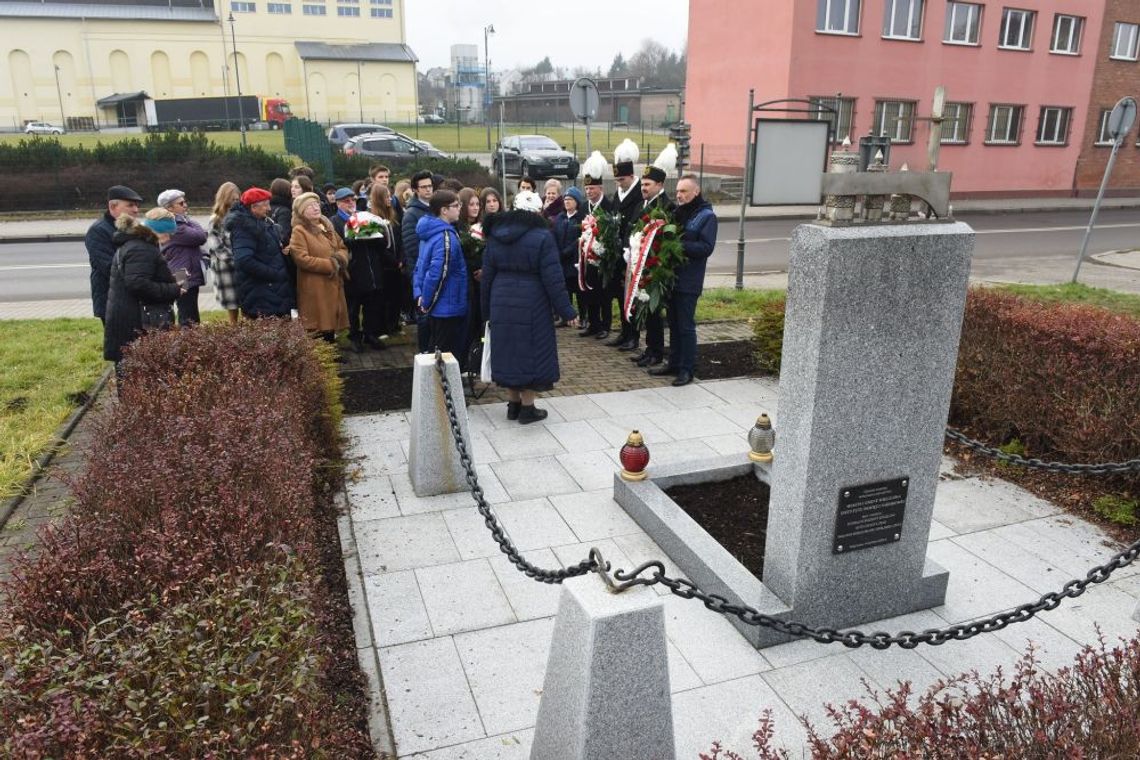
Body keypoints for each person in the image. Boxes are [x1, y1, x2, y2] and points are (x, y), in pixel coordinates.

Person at [481, 190, 578, 424]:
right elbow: (553, 278)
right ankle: (527, 408)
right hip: (532, 300)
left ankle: (512, 404)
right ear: (537, 212)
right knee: (532, 351)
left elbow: (487, 277)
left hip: (501, 298)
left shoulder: (495, 234)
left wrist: (486, 311)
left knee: (508, 350)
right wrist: (567, 311)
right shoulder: (542, 237)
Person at [648, 175, 717, 387]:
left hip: (689, 281)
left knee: (686, 327)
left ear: (696, 192)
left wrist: (678, 244)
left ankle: (687, 369)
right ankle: (674, 363)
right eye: (677, 191)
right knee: (674, 324)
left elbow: (706, 248)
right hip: (671, 278)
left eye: (684, 191)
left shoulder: (706, 216)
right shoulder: (677, 213)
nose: (679, 195)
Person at [103, 208, 182, 379]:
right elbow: (138, 284)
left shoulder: (138, 244)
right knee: (135, 374)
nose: (168, 239)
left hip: (129, 315)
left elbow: (140, 277)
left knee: (131, 371)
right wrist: (174, 289)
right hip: (136, 319)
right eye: (167, 233)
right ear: (156, 230)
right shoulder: (142, 249)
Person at [412, 190, 468, 364]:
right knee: (445, 356)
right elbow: (437, 274)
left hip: (438, 305)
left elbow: (420, 267)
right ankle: (443, 390)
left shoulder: (430, 232)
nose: (459, 209)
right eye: (456, 205)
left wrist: (419, 295)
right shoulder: (445, 236)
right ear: (444, 210)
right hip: (446, 306)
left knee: (437, 350)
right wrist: (426, 303)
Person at [631, 151, 675, 369]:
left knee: (655, 311)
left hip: (655, 268)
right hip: (640, 267)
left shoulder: (667, 207)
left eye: (648, 184)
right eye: (642, 185)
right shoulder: (642, 206)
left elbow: (668, 239)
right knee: (645, 310)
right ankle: (649, 349)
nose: (643, 188)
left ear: (660, 184)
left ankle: (657, 352)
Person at [290, 192, 350, 343]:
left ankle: (332, 352)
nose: (315, 208)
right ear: (302, 212)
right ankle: (321, 358)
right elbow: (301, 258)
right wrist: (331, 265)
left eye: (316, 204)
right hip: (315, 285)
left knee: (330, 318)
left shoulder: (327, 225)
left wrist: (340, 259)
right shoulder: (299, 231)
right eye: (309, 206)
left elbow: (342, 247)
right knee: (319, 321)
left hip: (333, 282)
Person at [226, 187, 294, 319]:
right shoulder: (243, 229)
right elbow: (244, 260)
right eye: (265, 205)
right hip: (260, 294)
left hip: (274, 291)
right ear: (253, 207)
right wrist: (273, 274)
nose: (269, 208)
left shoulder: (264, 222)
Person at [605, 140, 643, 352]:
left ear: (630, 176)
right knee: (620, 296)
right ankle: (624, 332)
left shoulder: (638, 193)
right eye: (617, 180)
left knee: (632, 297)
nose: (619, 183)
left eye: (622, 179)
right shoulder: (617, 195)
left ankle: (634, 336)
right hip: (618, 253)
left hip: (632, 253)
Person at [86, 184, 142, 324]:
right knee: (119, 344)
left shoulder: (134, 228)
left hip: (133, 297)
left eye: (137, 205)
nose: (136, 210)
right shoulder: (99, 231)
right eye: (130, 205)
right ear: (113, 207)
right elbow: (109, 267)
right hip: (112, 300)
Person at [157, 188, 208, 326]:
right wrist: (189, 221)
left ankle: (190, 340)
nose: (185, 205)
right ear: (169, 208)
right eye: (181, 203)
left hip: (185, 269)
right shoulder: (174, 225)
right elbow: (200, 236)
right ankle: (188, 343)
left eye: (185, 202)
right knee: (187, 312)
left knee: (191, 309)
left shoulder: (180, 222)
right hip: (181, 273)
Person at [580, 152, 615, 338]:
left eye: (592, 188)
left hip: (603, 258)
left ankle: (605, 326)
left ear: (600, 188)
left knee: (604, 295)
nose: (589, 192)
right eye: (587, 189)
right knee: (589, 291)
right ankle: (593, 324)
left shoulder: (608, 206)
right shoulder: (585, 206)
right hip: (587, 257)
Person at [401, 170, 435, 351]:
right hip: (420, 270)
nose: (428, 190)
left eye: (430, 186)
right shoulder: (412, 214)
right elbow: (412, 247)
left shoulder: (434, 208)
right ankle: (424, 351)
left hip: (434, 268)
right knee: (423, 313)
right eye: (424, 187)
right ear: (415, 190)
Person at [369, 182, 404, 337]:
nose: (390, 199)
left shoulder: (393, 216)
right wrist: (394, 261)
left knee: (396, 297)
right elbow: (379, 246)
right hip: (383, 266)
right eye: (386, 197)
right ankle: (381, 328)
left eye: (390, 196)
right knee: (383, 299)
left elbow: (400, 238)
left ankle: (394, 325)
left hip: (396, 264)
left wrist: (401, 258)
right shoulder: (373, 219)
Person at [206, 181, 241, 324]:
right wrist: (234, 260)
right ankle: (233, 329)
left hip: (240, 264)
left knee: (244, 300)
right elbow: (216, 245)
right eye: (232, 199)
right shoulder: (216, 219)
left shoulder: (240, 216)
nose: (235, 202)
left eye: (237, 199)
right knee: (232, 303)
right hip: (225, 266)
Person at [553, 186, 586, 326]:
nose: (567, 202)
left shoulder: (581, 218)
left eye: (570, 199)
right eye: (565, 199)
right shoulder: (560, 217)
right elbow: (554, 235)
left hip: (574, 260)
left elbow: (580, 238)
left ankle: (583, 317)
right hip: (561, 260)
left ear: (577, 202)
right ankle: (566, 317)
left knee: (579, 291)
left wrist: (567, 251)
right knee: (565, 290)